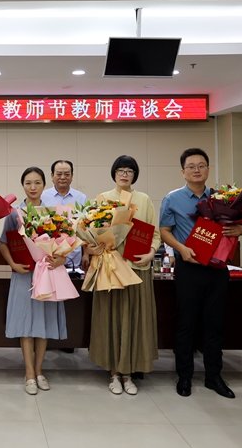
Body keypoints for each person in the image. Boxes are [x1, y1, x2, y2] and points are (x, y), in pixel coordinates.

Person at [159, 148, 242, 399]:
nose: (196, 170)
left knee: (215, 323)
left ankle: (213, 376)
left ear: (208, 169)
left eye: (201, 165)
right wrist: (181, 249)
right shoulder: (172, 199)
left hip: (217, 268)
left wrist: (240, 228)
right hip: (189, 267)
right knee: (187, 323)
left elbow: (238, 224)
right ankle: (184, 376)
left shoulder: (222, 198)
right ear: (183, 171)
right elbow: (164, 231)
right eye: (191, 166)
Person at [87, 156, 160, 395]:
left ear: (135, 175)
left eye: (129, 171)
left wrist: (151, 253)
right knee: (112, 319)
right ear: (114, 173)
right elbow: (92, 233)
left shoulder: (144, 200)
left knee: (133, 320)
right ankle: (114, 374)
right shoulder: (102, 199)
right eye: (120, 170)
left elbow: (154, 234)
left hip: (136, 268)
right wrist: (95, 246)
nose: (125, 174)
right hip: (110, 267)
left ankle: (128, 373)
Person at [0, 167, 67, 395]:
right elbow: (3, 242)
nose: (33, 187)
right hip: (23, 273)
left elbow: (63, 243)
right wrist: (13, 264)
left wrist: (60, 258)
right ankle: (29, 373)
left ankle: (39, 371)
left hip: (46, 273)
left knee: (42, 323)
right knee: (26, 325)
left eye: (37, 182)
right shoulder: (14, 214)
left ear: (44, 185)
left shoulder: (53, 213)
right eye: (28, 183)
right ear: (23, 186)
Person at [41, 160, 87, 270]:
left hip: (74, 257)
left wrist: (86, 253)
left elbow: (85, 229)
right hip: (50, 257)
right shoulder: (43, 197)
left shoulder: (81, 198)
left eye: (67, 174)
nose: (63, 177)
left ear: (72, 176)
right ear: (52, 176)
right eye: (59, 174)